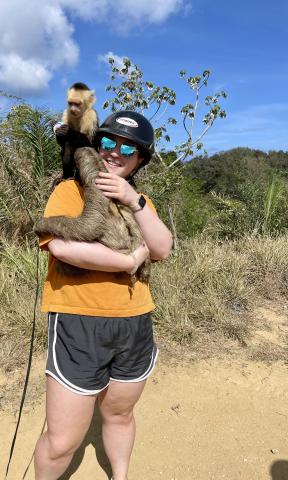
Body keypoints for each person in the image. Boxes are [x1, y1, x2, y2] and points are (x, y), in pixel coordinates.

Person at [34, 110, 173, 480]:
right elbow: (62, 249)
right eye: (109, 142)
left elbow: (161, 249)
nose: (116, 152)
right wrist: (129, 259)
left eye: (128, 148)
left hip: (134, 324)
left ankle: (120, 476)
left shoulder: (140, 201)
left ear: (140, 159)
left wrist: (134, 201)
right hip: (79, 324)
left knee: (120, 414)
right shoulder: (69, 191)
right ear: (96, 147)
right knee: (62, 440)